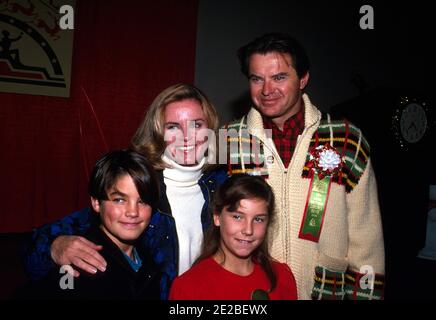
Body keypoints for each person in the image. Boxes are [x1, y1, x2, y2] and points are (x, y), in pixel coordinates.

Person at [24, 84, 228, 299]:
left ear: (210, 129)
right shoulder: (140, 182)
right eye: (173, 127)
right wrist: (55, 246)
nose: (186, 136)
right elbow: (37, 244)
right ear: (158, 132)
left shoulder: (223, 184)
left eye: (196, 124)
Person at [224, 33, 385, 300]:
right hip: (253, 294)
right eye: (256, 79)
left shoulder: (347, 139)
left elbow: (366, 240)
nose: (266, 90)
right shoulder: (229, 140)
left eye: (279, 77)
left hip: (325, 292)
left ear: (303, 79)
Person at [19, 149, 161, 299]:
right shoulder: (74, 264)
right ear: (96, 203)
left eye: (142, 201)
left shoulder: (149, 255)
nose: (133, 212)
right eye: (119, 200)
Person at [169, 174, 297, 300]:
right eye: (238, 217)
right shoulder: (188, 288)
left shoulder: (282, 277)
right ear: (217, 217)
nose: (248, 230)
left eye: (258, 219)